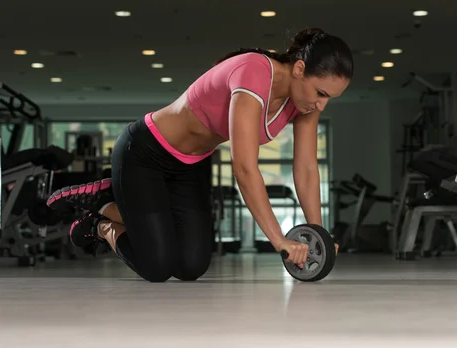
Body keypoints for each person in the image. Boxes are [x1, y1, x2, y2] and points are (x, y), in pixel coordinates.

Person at [47, 27, 353, 282]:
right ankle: (100, 219)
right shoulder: (255, 72)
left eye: (330, 98)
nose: (322, 104)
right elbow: (245, 169)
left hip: (189, 165)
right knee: (157, 266)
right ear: (299, 69)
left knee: (190, 267)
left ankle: (118, 202)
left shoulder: (305, 103)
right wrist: (279, 240)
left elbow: (307, 168)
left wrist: (318, 235)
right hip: (144, 152)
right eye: (321, 93)